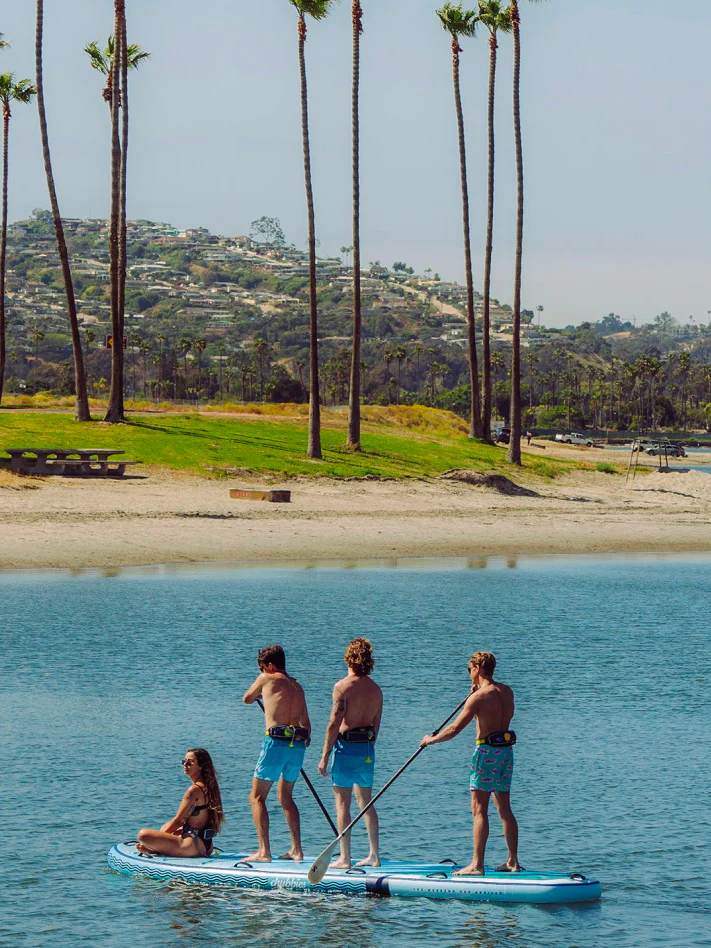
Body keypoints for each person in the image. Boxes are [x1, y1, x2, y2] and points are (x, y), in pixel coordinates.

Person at [420, 651, 521, 876]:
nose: (468, 674)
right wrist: (472, 697)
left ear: (476, 669)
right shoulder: (506, 691)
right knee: (504, 808)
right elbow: (491, 716)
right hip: (506, 752)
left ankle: (477, 864)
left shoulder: (479, 698)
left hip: (486, 753)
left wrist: (430, 740)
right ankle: (513, 861)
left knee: (479, 810)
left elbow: (455, 729)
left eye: (469, 670)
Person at [318, 638, 383, 868]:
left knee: (342, 803)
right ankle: (374, 855)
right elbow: (376, 727)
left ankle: (345, 857)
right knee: (366, 801)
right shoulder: (376, 690)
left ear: (349, 658)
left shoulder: (341, 687)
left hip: (345, 748)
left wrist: (325, 754)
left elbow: (333, 724)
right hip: (366, 749)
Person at [243, 644, 311, 862]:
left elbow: (247, 698)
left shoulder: (267, 678)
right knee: (285, 796)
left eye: (263, 667)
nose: (262, 671)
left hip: (275, 742)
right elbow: (307, 724)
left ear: (270, 666)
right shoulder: (297, 686)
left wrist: (260, 690)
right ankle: (297, 850)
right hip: (297, 744)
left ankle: (264, 852)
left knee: (256, 797)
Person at [136, 747, 224, 857]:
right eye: (184, 761)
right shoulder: (209, 787)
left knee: (143, 835)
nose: (185, 764)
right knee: (166, 826)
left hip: (193, 846)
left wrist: (154, 843)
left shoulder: (194, 790)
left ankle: (154, 850)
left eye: (190, 762)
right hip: (206, 844)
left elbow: (178, 820)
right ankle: (159, 848)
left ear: (201, 766)